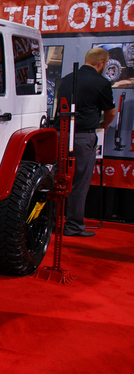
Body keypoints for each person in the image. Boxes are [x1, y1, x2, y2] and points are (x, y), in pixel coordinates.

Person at [54, 47, 117, 237]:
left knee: (56, 180)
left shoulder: (66, 79)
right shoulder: (101, 83)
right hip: (82, 137)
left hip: (60, 133)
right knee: (79, 182)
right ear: (101, 63)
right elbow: (111, 112)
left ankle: (48, 222)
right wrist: (105, 125)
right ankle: (73, 226)